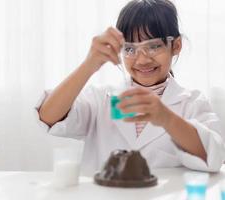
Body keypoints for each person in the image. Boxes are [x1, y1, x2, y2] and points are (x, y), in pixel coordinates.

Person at [35, 0, 225, 175]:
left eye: (153, 46)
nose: (142, 60)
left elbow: (214, 157)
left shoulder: (192, 103)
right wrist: (89, 64)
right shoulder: (102, 99)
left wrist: (166, 117)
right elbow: (48, 117)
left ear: (175, 46)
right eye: (130, 49)